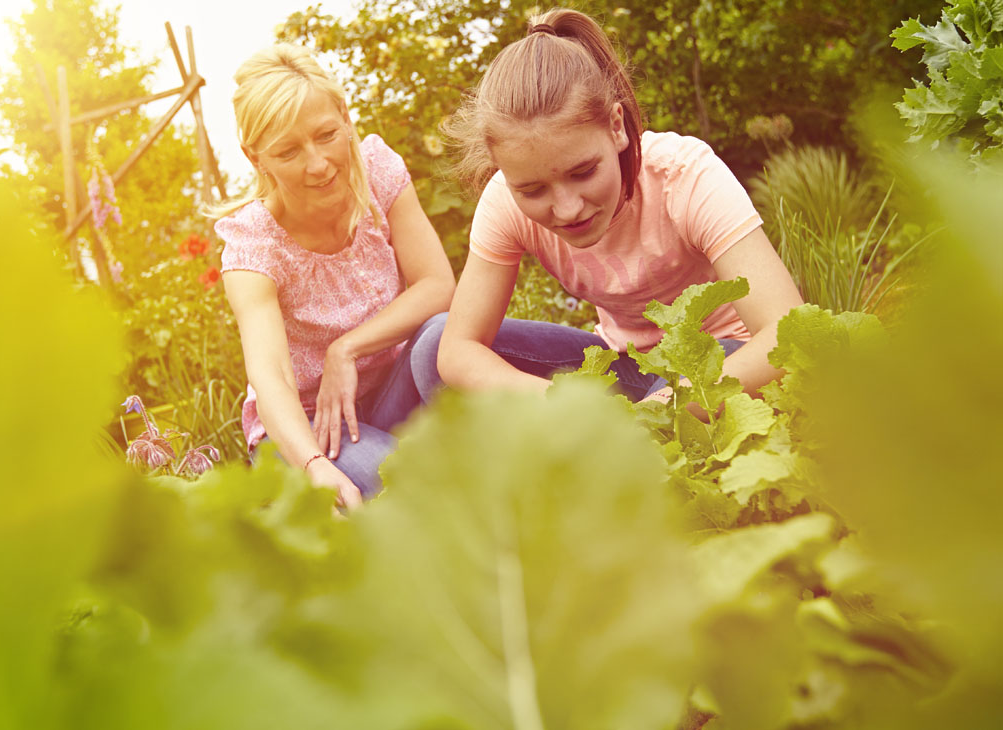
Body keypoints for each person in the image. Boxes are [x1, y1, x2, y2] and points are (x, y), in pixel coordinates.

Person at [426, 7, 803, 404]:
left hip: (720, 360)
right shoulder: (504, 200)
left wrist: (666, 407)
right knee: (431, 343)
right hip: (623, 368)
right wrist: (569, 405)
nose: (568, 208)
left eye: (584, 171)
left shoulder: (684, 176)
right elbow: (457, 351)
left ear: (616, 126)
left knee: (686, 381)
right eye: (533, 191)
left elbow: (787, 332)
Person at [211, 44, 454, 508]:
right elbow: (272, 379)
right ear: (255, 156)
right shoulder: (253, 245)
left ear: (344, 115)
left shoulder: (377, 171)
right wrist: (314, 466)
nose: (318, 164)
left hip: (388, 394)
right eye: (288, 151)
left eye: (326, 134)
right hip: (309, 430)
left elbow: (438, 286)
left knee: (441, 335)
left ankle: (609, 396)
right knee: (416, 493)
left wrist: (346, 348)